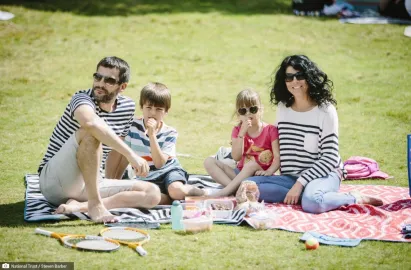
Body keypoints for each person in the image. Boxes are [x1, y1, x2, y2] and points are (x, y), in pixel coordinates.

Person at [246, 55, 383, 214]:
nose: (295, 81)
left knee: (312, 203)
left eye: (300, 76)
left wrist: (300, 184)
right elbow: (275, 145)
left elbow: (330, 157)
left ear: (309, 77)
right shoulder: (283, 108)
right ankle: (306, 195)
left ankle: (353, 197)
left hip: (323, 174)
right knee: (249, 186)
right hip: (290, 177)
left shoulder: (325, 110)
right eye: (289, 77)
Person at [38, 56, 161, 222]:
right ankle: (95, 205)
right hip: (54, 181)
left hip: (90, 184)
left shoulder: (127, 107)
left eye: (109, 80)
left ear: (122, 86)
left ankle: (79, 206)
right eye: (97, 77)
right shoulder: (81, 99)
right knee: (91, 132)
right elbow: (90, 123)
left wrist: (114, 183)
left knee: (152, 193)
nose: (100, 84)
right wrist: (132, 155)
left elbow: (115, 151)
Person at [113, 82, 206, 204]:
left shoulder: (170, 133)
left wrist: (152, 135)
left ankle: (203, 193)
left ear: (166, 111)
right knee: (142, 197)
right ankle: (168, 199)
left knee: (176, 191)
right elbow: (124, 157)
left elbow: (159, 164)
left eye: (158, 109)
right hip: (147, 177)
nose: (152, 113)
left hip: (169, 171)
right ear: (142, 107)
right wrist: (115, 182)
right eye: (148, 108)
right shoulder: (132, 127)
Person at [203, 89, 280, 197]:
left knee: (251, 165)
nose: (248, 113)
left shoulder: (270, 130)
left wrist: (269, 171)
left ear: (260, 110)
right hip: (240, 174)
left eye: (252, 109)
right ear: (238, 115)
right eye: (243, 111)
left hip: (261, 174)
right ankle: (235, 190)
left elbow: (277, 157)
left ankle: (226, 191)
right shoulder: (237, 130)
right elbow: (236, 157)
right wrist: (242, 134)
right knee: (209, 161)